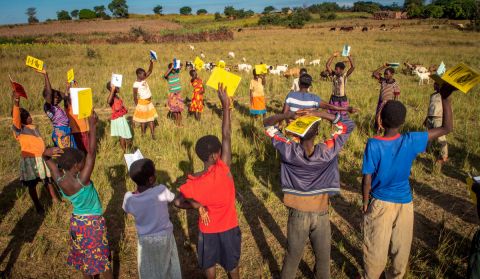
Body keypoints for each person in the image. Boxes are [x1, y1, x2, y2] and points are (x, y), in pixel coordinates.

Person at [361, 84, 456, 279]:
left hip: (380, 203)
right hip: (405, 203)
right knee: (401, 251)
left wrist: (364, 202)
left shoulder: (374, 144)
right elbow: (447, 127)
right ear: (403, 122)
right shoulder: (412, 139)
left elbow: (367, 178)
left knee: (375, 251)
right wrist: (445, 98)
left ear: (380, 119)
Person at [263, 109, 356, 279]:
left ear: (297, 134)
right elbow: (348, 126)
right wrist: (320, 114)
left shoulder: (288, 150)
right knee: (323, 262)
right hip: (321, 213)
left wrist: (286, 116)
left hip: (297, 214)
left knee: (291, 259)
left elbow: (267, 124)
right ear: (318, 132)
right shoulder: (327, 151)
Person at [174, 83, 240, 279]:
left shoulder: (193, 183)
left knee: (209, 265)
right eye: (219, 151)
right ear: (214, 156)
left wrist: (198, 205)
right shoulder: (223, 170)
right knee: (232, 266)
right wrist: (225, 106)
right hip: (229, 227)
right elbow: (226, 135)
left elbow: (178, 201)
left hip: (207, 230)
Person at [42, 111, 113, 279]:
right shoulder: (82, 180)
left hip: (77, 223)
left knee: (83, 258)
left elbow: (47, 160)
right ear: (75, 166)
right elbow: (92, 153)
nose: (84, 163)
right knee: (102, 261)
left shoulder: (60, 179)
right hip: (93, 224)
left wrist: (47, 152)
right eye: (81, 162)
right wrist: (93, 127)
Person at [122, 158, 182, 279]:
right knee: (168, 266)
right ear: (151, 179)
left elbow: (126, 209)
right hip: (164, 237)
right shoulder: (161, 190)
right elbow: (174, 199)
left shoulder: (129, 198)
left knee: (149, 269)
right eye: (155, 173)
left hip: (145, 240)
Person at [11, 92, 59, 213]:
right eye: (27, 116)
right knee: (32, 184)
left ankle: (55, 199)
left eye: (29, 114)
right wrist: (16, 102)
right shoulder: (19, 130)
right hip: (30, 160)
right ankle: (37, 205)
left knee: (48, 180)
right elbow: (16, 118)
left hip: (42, 158)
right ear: (21, 120)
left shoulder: (33, 127)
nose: (30, 117)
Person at [282, 74, 356, 122]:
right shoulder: (314, 98)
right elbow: (331, 106)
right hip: (309, 131)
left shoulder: (290, 96)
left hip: (292, 129)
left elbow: (284, 113)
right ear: (309, 86)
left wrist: (282, 124)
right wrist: (347, 109)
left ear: (298, 83)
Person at [37, 69, 76, 148]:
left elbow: (64, 97)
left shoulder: (55, 105)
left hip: (65, 131)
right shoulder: (48, 106)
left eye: (57, 97)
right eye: (54, 97)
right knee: (67, 155)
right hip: (61, 132)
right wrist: (45, 75)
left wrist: (68, 87)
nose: (57, 98)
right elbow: (49, 93)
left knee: (71, 154)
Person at [423, 82, 448, 164]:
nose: (434, 85)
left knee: (440, 138)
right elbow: (430, 107)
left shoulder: (444, 95)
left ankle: (444, 156)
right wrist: (426, 118)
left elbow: (446, 109)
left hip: (439, 118)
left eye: (436, 84)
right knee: (428, 135)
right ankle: (427, 149)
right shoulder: (433, 95)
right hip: (430, 117)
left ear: (440, 86)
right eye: (434, 84)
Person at [133, 60, 158, 138]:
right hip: (142, 103)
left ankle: (153, 134)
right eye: (143, 75)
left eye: (144, 74)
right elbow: (134, 96)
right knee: (143, 120)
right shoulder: (136, 84)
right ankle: (143, 134)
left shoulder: (143, 79)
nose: (145, 76)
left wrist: (151, 62)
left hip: (149, 102)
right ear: (138, 75)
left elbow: (150, 71)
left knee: (151, 119)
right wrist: (138, 106)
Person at [372, 64, 400, 133]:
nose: (385, 75)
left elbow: (397, 97)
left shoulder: (395, 84)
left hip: (389, 104)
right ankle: (377, 132)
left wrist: (395, 107)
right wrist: (384, 66)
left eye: (387, 74)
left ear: (392, 74)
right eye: (384, 74)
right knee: (378, 117)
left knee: (385, 118)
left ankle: (384, 132)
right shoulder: (383, 81)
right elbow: (374, 73)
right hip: (381, 102)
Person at [65, 81, 90, 153]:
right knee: (79, 149)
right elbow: (66, 97)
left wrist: (76, 87)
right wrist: (67, 88)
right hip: (75, 131)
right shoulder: (68, 107)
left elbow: (80, 95)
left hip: (83, 129)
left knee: (86, 149)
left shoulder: (79, 104)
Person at [107, 82, 132, 152]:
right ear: (112, 89)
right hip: (118, 119)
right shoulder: (112, 97)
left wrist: (125, 109)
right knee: (124, 136)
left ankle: (125, 151)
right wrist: (113, 90)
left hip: (120, 118)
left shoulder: (116, 96)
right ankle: (125, 151)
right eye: (117, 87)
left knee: (123, 136)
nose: (119, 88)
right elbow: (108, 101)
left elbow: (119, 106)